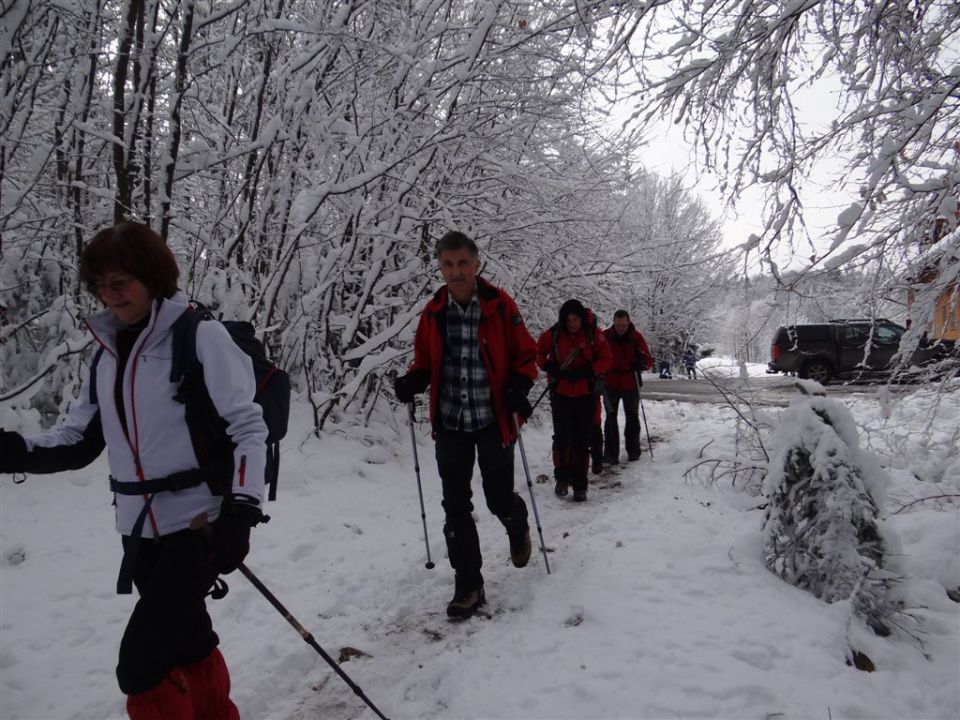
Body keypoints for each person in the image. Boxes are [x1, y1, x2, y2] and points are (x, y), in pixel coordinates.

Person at [0, 222, 268, 720]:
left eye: (120, 281)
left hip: (197, 524)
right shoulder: (108, 354)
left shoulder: (199, 336)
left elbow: (248, 428)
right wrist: (15, 451)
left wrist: (241, 513)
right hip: (138, 528)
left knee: (140, 666)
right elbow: (80, 439)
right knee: (189, 641)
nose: (109, 295)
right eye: (100, 285)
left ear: (151, 275)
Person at [392, 231, 538, 619]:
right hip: (452, 421)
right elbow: (423, 361)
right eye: (447, 265)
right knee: (455, 506)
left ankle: (515, 519)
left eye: (462, 264)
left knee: (497, 498)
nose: (455, 272)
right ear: (440, 267)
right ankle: (468, 586)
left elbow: (527, 356)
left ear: (476, 265)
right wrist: (412, 381)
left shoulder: (500, 306)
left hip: (493, 420)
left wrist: (518, 386)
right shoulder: (433, 311)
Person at [536, 299, 611, 502]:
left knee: (581, 440)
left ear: (581, 318)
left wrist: (589, 370)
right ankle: (562, 478)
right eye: (569, 320)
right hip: (560, 393)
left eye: (576, 319)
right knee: (562, 438)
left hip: (586, 394)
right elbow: (538, 353)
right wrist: (549, 367)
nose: (572, 324)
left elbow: (606, 358)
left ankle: (580, 485)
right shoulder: (554, 334)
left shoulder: (593, 335)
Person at [602, 310, 653, 464]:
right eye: (618, 325)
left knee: (632, 417)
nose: (621, 328)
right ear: (614, 322)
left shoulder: (636, 337)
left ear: (628, 322)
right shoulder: (605, 336)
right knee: (610, 418)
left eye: (623, 325)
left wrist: (640, 364)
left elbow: (648, 360)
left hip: (630, 382)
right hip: (610, 382)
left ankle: (633, 451)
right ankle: (611, 454)